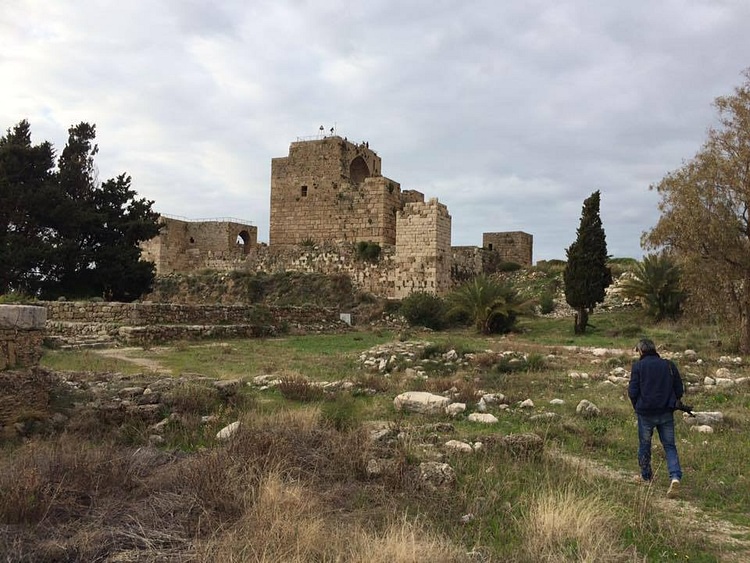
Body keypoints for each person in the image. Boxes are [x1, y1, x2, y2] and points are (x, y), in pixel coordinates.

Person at [628, 338, 684, 498]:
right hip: (666, 412)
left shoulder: (638, 366)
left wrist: (636, 405)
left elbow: (632, 391)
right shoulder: (668, 365)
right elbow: (679, 389)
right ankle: (674, 477)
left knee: (645, 445)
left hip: (645, 413)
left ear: (641, 351)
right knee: (670, 446)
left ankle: (646, 476)